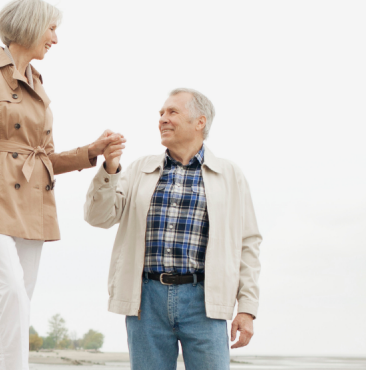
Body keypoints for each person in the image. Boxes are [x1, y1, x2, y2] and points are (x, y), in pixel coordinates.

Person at [0, 1, 109, 369]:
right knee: (13, 293)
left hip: (35, 199)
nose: (56, 39)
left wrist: (90, 151)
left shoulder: (38, 83)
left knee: (17, 302)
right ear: (30, 26)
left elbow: (44, 157)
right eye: (51, 29)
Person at [83, 88, 262, 369]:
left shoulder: (230, 175)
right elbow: (98, 217)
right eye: (161, 113)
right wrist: (110, 169)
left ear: (200, 122)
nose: (163, 119)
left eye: (172, 112)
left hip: (205, 302)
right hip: (146, 302)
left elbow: (248, 243)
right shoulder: (139, 169)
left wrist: (247, 309)